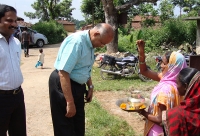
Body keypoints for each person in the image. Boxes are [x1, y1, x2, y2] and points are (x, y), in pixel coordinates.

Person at [49, 23, 114, 136]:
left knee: (78, 126)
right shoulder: (77, 42)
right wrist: (69, 102)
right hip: (64, 84)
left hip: (77, 86)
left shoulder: (90, 44)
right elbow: (63, 72)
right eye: (102, 43)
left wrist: (90, 86)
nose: (102, 46)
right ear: (96, 34)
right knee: (65, 127)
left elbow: (84, 68)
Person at [135, 40, 187, 136]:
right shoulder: (182, 85)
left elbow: (160, 120)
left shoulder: (165, 89)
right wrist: (141, 52)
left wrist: (142, 112)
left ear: (172, 66)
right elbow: (144, 71)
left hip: (158, 132)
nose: (161, 65)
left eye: (163, 63)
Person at [0, 4, 26, 136]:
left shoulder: (16, 42)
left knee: (19, 132)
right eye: (9, 20)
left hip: (17, 95)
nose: (14, 24)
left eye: (15, 21)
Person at [162, 67, 200, 136]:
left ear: (185, 86)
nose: (176, 86)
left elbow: (162, 119)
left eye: (177, 83)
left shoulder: (179, 113)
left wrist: (143, 112)